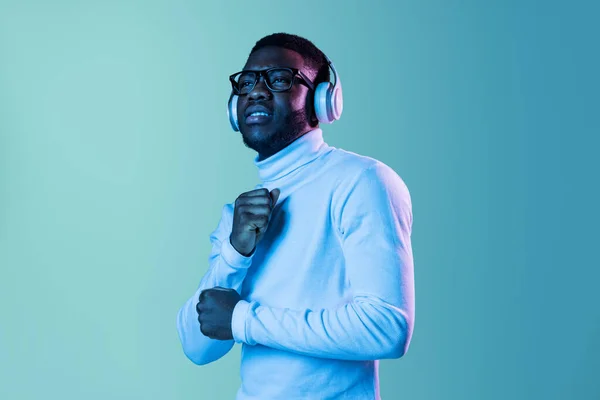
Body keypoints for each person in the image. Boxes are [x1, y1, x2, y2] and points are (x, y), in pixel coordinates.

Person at [176, 32, 415, 400]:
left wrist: (244, 321)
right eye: (247, 81)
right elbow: (197, 345)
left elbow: (386, 326)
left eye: (279, 79)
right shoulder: (239, 216)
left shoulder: (363, 182)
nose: (256, 91)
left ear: (323, 100)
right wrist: (234, 254)